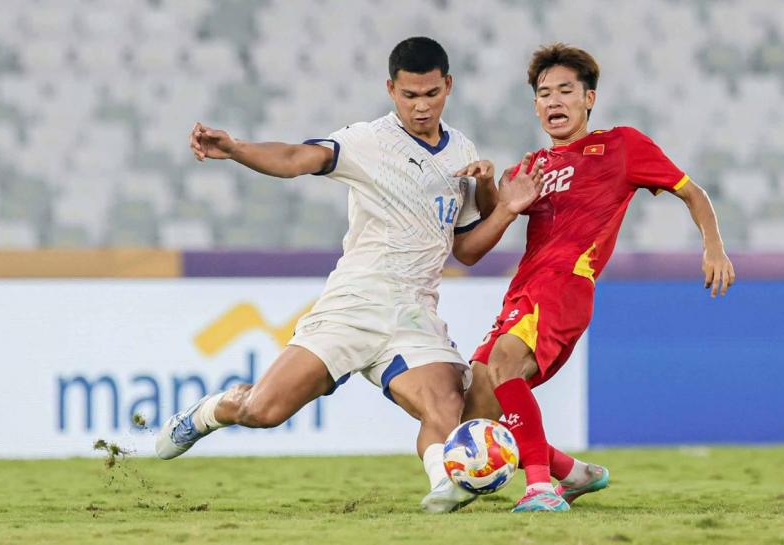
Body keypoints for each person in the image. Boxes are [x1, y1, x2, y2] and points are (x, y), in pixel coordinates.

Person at [155, 36, 544, 513]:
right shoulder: (367, 141)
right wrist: (236, 149)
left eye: (430, 94)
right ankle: (213, 410)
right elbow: (298, 158)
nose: (421, 107)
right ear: (390, 90)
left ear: (448, 86)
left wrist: (492, 194)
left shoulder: (460, 149)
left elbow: (466, 250)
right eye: (409, 96)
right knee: (264, 411)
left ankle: (445, 484)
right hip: (354, 304)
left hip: (414, 313)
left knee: (448, 409)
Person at [456, 43, 736, 512]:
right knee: (478, 410)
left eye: (566, 90)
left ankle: (542, 489)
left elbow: (693, 192)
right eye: (544, 94)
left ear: (589, 99)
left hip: (564, 285)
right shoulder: (530, 167)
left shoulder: (622, 146)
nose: (554, 102)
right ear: (535, 106)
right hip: (522, 289)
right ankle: (573, 473)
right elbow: (494, 219)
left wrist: (713, 245)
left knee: (504, 362)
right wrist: (489, 187)